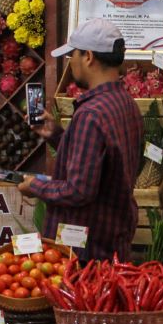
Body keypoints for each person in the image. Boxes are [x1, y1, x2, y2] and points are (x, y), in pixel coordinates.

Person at [19, 19, 143, 262]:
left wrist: (34, 185)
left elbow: (78, 191)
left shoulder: (90, 114)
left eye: (71, 55)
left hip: (85, 251)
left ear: (87, 56)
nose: (70, 63)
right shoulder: (126, 104)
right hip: (112, 238)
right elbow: (106, 164)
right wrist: (58, 136)